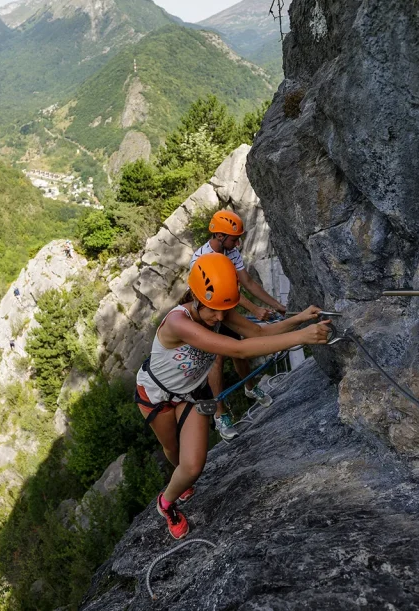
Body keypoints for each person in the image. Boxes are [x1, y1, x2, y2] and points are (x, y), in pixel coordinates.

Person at [135, 253, 331, 539]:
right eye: (213, 310)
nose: (219, 317)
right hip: (156, 395)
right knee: (172, 450)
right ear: (196, 298)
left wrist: (301, 320)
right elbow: (238, 349)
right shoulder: (179, 323)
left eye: (223, 310)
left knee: (193, 467)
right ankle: (172, 492)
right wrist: (302, 337)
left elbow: (256, 332)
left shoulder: (220, 311)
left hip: (192, 394)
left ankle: (165, 503)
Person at [189, 210, 289, 439]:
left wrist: (275, 305)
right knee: (216, 360)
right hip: (209, 313)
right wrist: (254, 309)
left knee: (241, 354)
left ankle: (250, 388)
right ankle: (220, 416)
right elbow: (224, 292)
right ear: (220, 236)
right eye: (234, 238)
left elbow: (247, 282)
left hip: (227, 310)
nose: (238, 242)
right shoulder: (201, 260)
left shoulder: (230, 251)